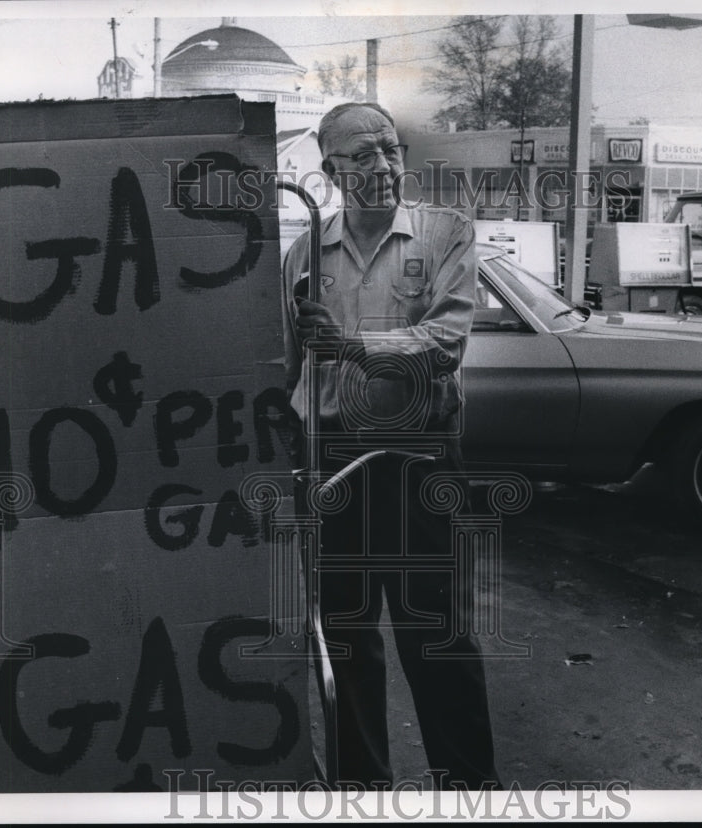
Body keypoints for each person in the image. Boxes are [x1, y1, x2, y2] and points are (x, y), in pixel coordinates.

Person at [281, 102, 500, 791]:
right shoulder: (304, 253)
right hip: (334, 461)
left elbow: (445, 343)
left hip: (419, 457)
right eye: (362, 154)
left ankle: (468, 793)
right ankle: (361, 793)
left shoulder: (445, 234)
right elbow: (280, 369)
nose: (382, 165)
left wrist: (349, 346)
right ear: (329, 171)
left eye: (389, 149)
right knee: (345, 643)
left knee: (437, 638)